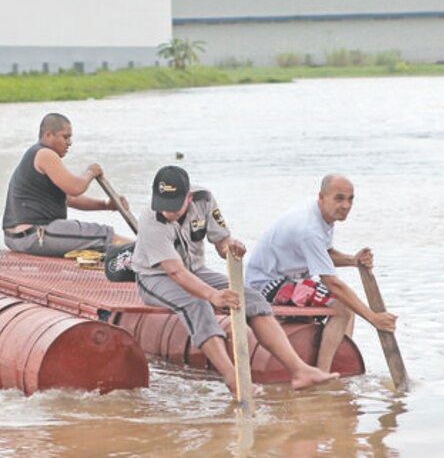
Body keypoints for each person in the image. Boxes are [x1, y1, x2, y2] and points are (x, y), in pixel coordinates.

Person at [132, 165, 339, 396]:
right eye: (163, 206)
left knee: (253, 299)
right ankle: (234, 379)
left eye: (174, 207)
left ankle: (300, 370)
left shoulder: (205, 199)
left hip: (196, 270)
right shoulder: (151, 220)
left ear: (188, 197)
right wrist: (212, 295)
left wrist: (229, 246)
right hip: (155, 277)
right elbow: (175, 272)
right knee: (197, 304)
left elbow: (221, 241)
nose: (168, 213)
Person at [245, 173, 398, 372]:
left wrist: (354, 260)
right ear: (322, 196)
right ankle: (323, 372)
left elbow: (324, 254)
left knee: (348, 303)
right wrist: (374, 318)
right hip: (266, 284)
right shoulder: (309, 228)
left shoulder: (322, 215)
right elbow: (331, 283)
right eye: (339, 198)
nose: (346, 205)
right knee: (344, 305)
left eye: (350, 199)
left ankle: (340, 359)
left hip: (290, 279)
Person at [1, 113, 130, 256]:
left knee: (99, 239)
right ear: (48, 135)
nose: (70, 143)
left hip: (17, 237)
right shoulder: (45, 154)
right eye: (65, 137)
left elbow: (70, 199)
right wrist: (90, 172)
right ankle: (149, 255)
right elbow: (75, 188)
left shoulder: (38, 155)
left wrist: (106, 205)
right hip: (34, 235)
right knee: (106, 236)